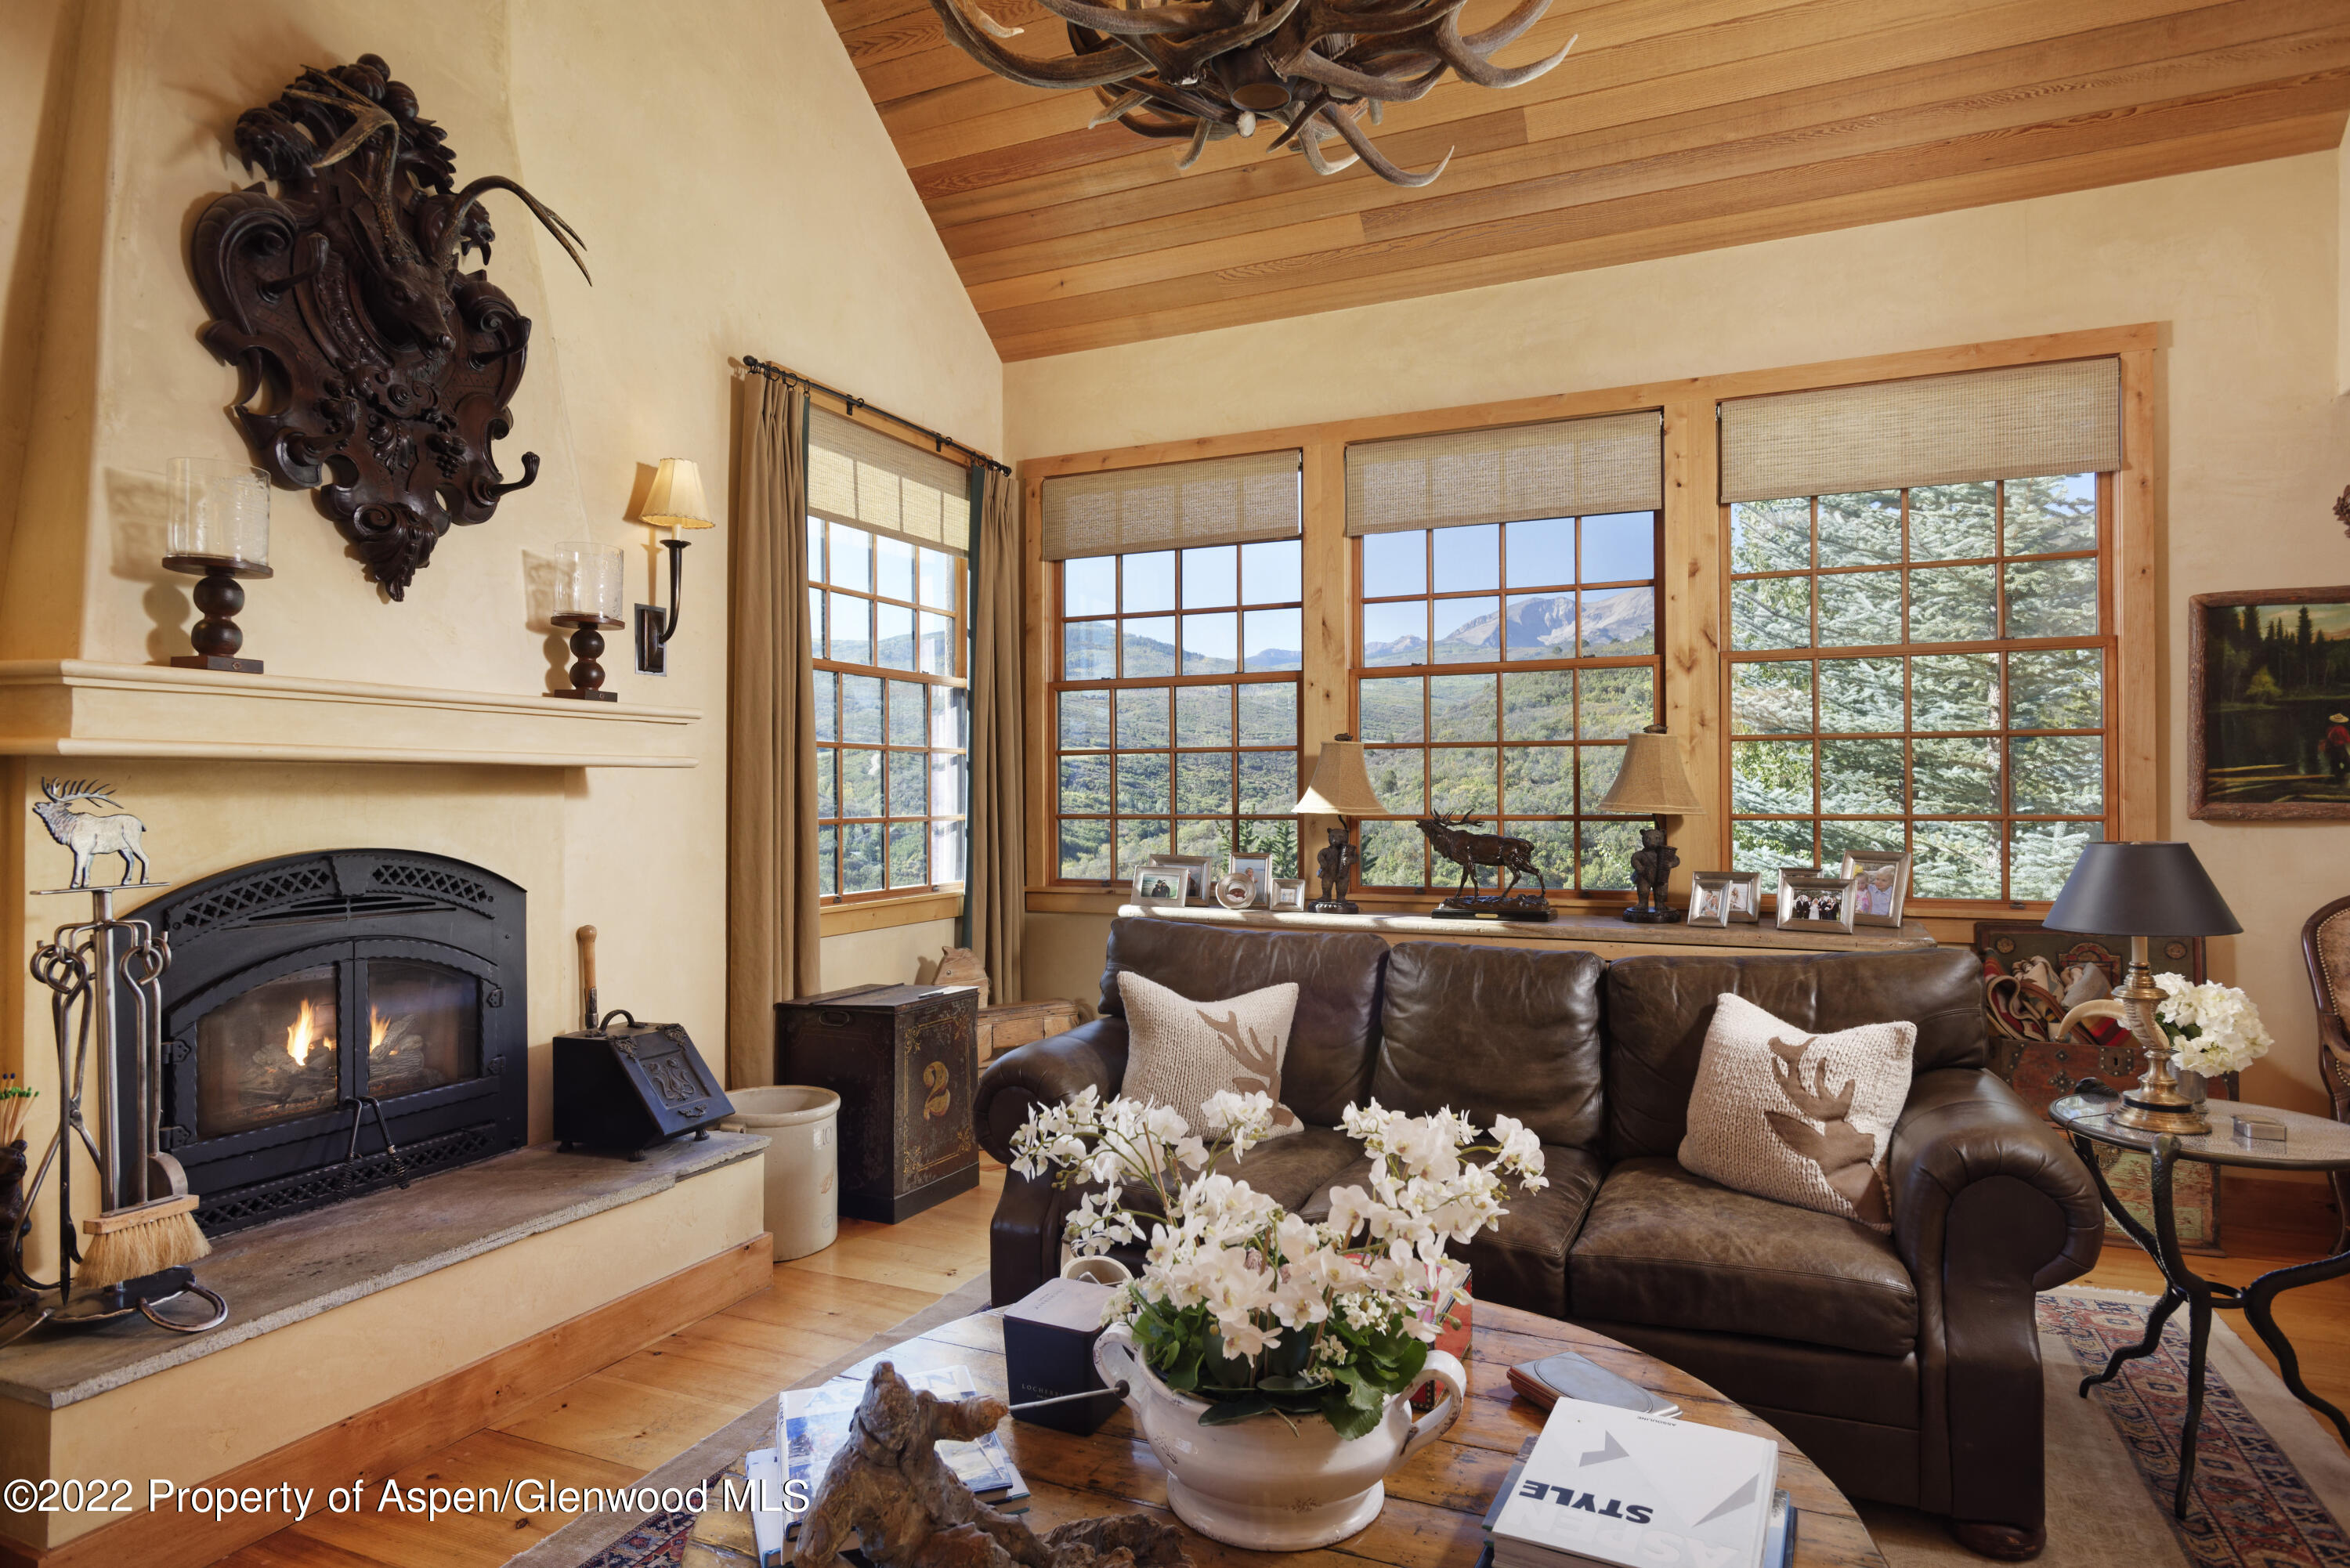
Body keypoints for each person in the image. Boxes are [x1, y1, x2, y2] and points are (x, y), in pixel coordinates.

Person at [2326, 712, 2350, 786]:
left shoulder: (2331, 729)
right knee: (2347, 762)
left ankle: (2339, 778)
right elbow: (2347, 740)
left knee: (2336, 764)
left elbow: (2329, 738)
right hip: (2340, 748)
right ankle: (2341, 777)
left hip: (2333, 748)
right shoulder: (2342, 729)